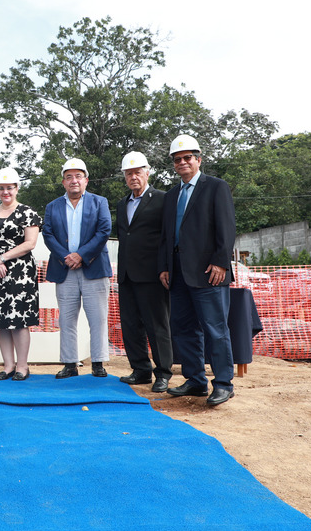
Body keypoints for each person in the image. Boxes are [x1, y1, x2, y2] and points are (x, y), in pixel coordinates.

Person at [157, 135, 237, 406]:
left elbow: (226, 229)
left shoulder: (216, 187)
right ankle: (195, 380)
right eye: (177, 159)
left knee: (215, 329)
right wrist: (165, 268)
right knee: (183, 328)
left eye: (187, 158)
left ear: (199, 159)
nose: (182, 162)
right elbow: (166, 237)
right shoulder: (171, 196)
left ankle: (224, 383)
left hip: (208, 272)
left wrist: (221, 262)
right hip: (177, 274)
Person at [42, 157, 113, 379]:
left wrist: (81, 255)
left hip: (94, 268)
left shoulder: (99, 202)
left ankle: (98, 363)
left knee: (98, 318)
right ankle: (70, 364)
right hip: (65, 270)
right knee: (67, 319)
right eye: (69, 177)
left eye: (78, 176)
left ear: (86, 180)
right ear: (63, 182)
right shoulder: (52, 206)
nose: (74, 180)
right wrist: (67, 257)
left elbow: (104, 231)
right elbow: (48, 234)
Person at [115, 151, 174, 392]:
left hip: (153, 275)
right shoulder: (121, 204)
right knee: (130, 325)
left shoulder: (162, 199)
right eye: (129, 174)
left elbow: (168, 237)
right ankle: (140, 370)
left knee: (157, 325)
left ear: (147, 173)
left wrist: (165, 268)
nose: (133, 177)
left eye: (137, 172)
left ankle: (163, 373)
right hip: (127, 275)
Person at [0, 167, 42, 381]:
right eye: (2, 188)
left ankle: (22, 366)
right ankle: (8, 366)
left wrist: (3, 258)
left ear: (16, 188)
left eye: (10, 188)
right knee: (0, 319)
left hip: (20, 271)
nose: (6, 192)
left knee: (19, 319)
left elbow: (30, 243)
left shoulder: (27, 212)